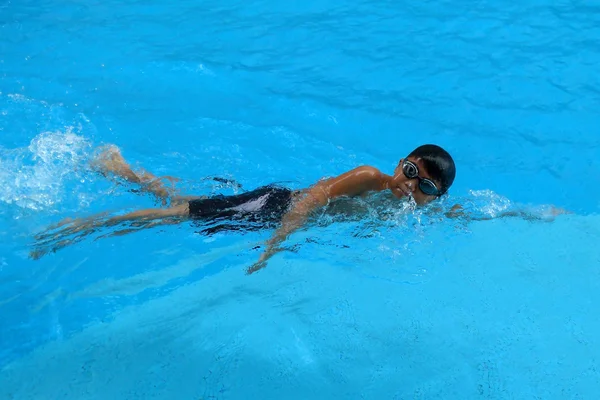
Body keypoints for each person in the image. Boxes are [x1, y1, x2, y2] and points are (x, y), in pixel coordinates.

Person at [32, 143, 457, 271]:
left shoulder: (416, 209)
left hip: (273, 213)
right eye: (409, 170)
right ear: (398, 163)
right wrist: (277, 242)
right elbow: (311, 199)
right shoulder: (370, 177)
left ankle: (118, 168)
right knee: (180, 216)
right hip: (274, 207)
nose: (410, 186)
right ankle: (84, 225)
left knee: (185, 203)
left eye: (427, 187)